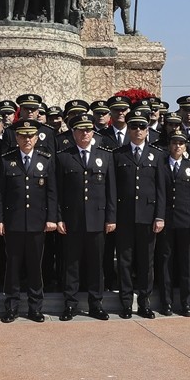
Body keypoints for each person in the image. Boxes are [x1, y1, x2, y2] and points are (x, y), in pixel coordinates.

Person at [0, 119, 58, 322]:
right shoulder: (6, 160)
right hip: (13, 222)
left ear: (37, 138)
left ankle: (35, 307)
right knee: (12, 266)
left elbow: (52, 192)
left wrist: (51, 218)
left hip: (37, 223)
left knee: (34, 266)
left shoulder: (45, 159)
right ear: (17, 138)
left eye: (31, 136)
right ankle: (11, 306)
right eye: (23, 136)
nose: (27, 139)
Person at [56, 113, 117, 321]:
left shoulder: (105, 155)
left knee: (96, 264)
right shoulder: (64, 156)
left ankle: (95, 304)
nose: (85, 133)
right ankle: (70, 304)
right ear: (73, 133)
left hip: (98, 220)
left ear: (93, 132)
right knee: (71, 264)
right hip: (72, 220)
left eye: (88, 130)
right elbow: (58, 192)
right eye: (81, 130)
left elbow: (111, 191)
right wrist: (59, 218)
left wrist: (111, 218)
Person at [111, 109, 165, 318]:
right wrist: (113, 217)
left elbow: (161, 188)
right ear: (128, 129)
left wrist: (160, 216)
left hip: (148, 217)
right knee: (124, 262)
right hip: (124, 217)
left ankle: (144, 303)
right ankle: (125, 303)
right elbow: (113, 189)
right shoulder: (118, 154)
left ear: (147, 130)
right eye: (133, 126)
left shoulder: (157, 155)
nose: (138, 130)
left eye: (142, 126)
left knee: (146, 262)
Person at [156, 131, 190, 316]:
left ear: (185, 146)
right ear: (169, 145)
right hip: (166, 221)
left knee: (186, 264)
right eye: (174, 143)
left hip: (186, 221)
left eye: (181, 143)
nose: (177, 146)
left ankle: (186, 303)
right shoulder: (162, 165)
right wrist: (159, 218)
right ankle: (166, 303)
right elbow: (160, 193)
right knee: (166, 263)